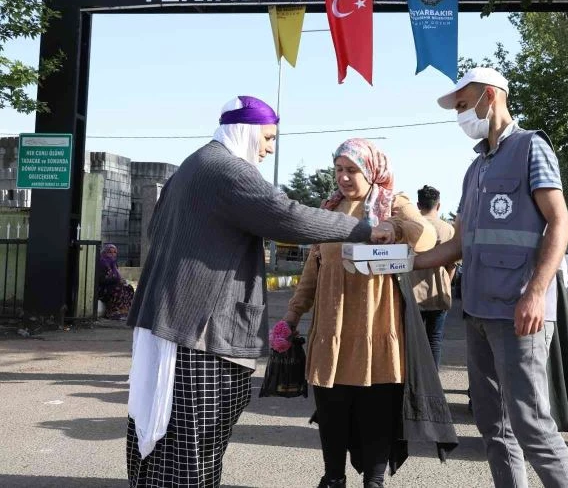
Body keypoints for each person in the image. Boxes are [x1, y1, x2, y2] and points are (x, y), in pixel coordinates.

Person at [125, 97, 394, 488]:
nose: (269, 148)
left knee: (173, 433)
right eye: (268, 138)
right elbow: (285, 215)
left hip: (174, 320)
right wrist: (363, 230)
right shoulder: (228, 170)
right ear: (246, 131)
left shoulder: (195, 164)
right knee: (195, 437)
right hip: (198, 330)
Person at [414, 67, 568, 487]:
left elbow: (560, 223)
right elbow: (459, 243)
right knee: (494, 425)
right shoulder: (476, 169)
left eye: (463, 104)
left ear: (490, 96)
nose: (460, 115)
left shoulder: (531, 148)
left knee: (531, 425)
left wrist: (536, 293)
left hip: (520, 309)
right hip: (478, 309)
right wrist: (402, 261)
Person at [282, 139, 455, 488]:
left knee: (375, 415)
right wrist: (291, 316)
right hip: (331, 332)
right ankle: (333, 479)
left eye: (352, 170)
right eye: (339, 169)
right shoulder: (328, 209)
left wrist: (395, 227)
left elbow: (425, 235)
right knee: (332, 415)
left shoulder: (394, 202)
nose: (344, 178)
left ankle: (374, 481)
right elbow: (312, 272)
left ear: (371, 170)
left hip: (377, 332)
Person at [407, 185, 455, 370]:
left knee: (412, 342)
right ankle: (433, 379)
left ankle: (414, 379)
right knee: (434, 339)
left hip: (413, 294)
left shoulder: (411, 228)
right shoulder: (448, 229)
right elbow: (452, 265)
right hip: (438, 293)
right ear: (439, 205)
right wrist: (446, 283)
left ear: (418, 204)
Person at [97, 243, 134, 320]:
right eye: (110, 252)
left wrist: (122, 281)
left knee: (129, 288)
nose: (112, 254)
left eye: (114, 252)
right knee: (118, 288)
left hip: (113, 285)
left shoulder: (114, 264)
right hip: (103, 289)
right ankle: (113, 312)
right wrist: (116, 281)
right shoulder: (101, 263)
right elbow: (101, 280)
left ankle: (125, 311)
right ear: (104, 253)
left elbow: (117, 277)